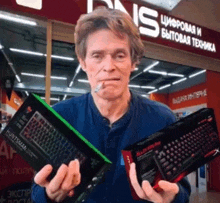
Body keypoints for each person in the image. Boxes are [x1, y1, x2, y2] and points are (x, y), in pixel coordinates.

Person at [31, 7, 191, 203]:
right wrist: (48, 196)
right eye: (97, 56)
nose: (108, 66)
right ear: (83, 62)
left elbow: (182, 189)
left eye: (120, 55)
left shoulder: (162, 118)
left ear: (133, 62)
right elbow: (38, 190)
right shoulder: (60, 118)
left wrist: (173, 197)